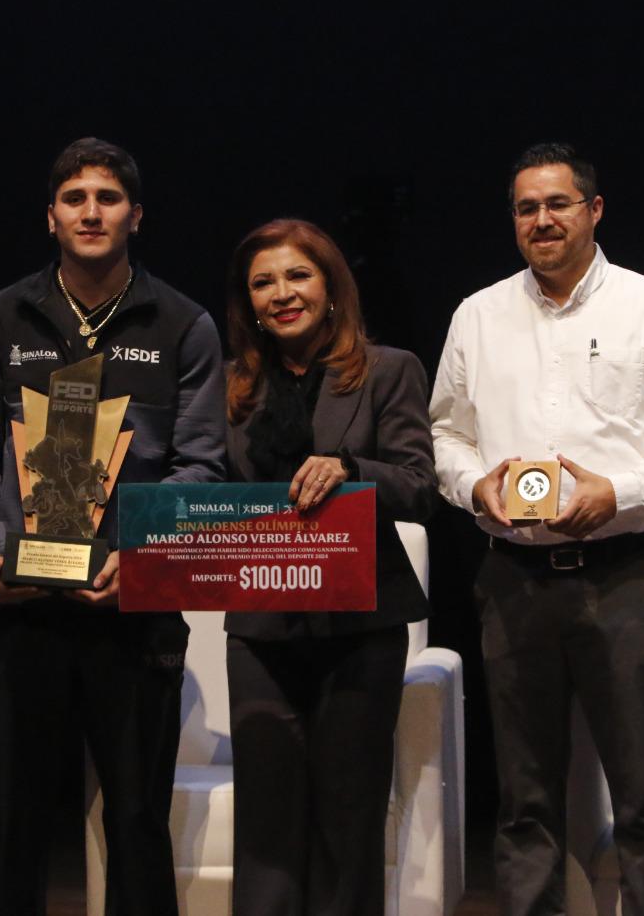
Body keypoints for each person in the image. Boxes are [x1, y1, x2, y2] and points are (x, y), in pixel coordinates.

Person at [0, 136, 226, 915]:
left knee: (137, 824)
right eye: (75, 199)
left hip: (133, 611)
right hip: (20, 610)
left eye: (108, 198)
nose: (91, 212)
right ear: (51, 217)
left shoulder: (184, 324)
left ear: (136, 215)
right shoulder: (0, 318)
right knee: (17, 825)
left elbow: (201, 466)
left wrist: (137, 557)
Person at [430, 143, 644, 916]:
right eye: (526, 208)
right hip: (512, 578)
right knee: (524, 801)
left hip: (624, 576)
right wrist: (474, 485)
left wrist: (617, 493)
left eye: (558, 204)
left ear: (594, 210)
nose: (542, 220)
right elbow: (445, 433)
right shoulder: (478, 314)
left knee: (642, 798)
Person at [223, 218, 440, 916]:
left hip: (359, 622)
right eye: (263, 283)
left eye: (298, 275)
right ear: (250, 303)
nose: (282, 293)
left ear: (331, 286)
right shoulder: (231, 387)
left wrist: (350, 468)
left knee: (349, 817)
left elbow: (420, 486)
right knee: (266, 819)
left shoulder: (389, 370)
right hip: (261, 624)